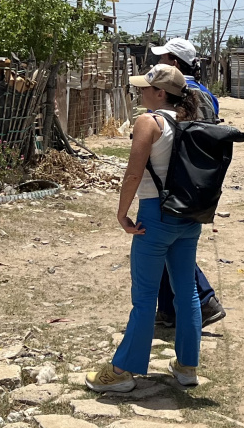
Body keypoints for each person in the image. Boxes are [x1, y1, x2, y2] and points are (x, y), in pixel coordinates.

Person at [86, 62, 202, 393]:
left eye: (145, 87)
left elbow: (133, 174)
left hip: (155, 215)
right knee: (187, 292)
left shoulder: (148, 122)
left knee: (145, 296)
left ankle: (122, 371)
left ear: (160, 92)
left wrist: (123, 214)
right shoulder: (188, 121)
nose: (140, 92)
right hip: (188, 216)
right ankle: (186, 366)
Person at [148, 37, 226, 327]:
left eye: (163, 58)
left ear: (175, 64)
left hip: (173, 180)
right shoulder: (206, 94)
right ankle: (169, 310)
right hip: (199, 180)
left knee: (166, 244)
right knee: (171, 245)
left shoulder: (176, 94)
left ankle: (204, 301)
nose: (158, 63)